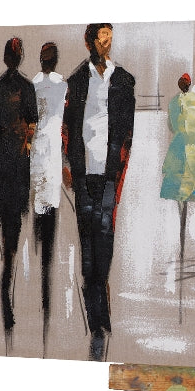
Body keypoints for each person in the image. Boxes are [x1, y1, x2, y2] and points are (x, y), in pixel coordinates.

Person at [63, 23, 136, 362]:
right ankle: (97, 323)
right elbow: (67, 129)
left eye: (109, 36)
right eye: (101, 36)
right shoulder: (77, 81)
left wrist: (118, 174)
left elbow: (127, 135)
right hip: (83, 176)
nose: (106, 42)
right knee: (88, 248)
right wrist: (70, 168)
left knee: (103, 241)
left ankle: (101, 318)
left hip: (108, 175)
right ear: (89, 41)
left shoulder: (124, 81)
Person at [0, 38, 38, 352]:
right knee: (14, 222)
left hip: (5, 163)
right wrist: (25, 142)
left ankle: (7, 271)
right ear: (19, 58)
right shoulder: (27, 88)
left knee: (8, 218)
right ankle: (9, 267)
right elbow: (32, 123)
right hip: (18, 163)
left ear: (6, 57)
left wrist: (6, 143)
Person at [30, 42, 67, 354]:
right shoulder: (62, 84)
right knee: (51, 194)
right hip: (54, 146)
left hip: (38, 145)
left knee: (39, 192)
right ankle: (48, 235)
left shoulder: (32, 84)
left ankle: (39, 230)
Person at [160, 72, 195, 299]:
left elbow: (171, 124)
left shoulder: (174, 102)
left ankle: (180, 240)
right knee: (187, 194)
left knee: (179, 194)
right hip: (191, 149)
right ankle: (183, 239)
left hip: (178, 148)